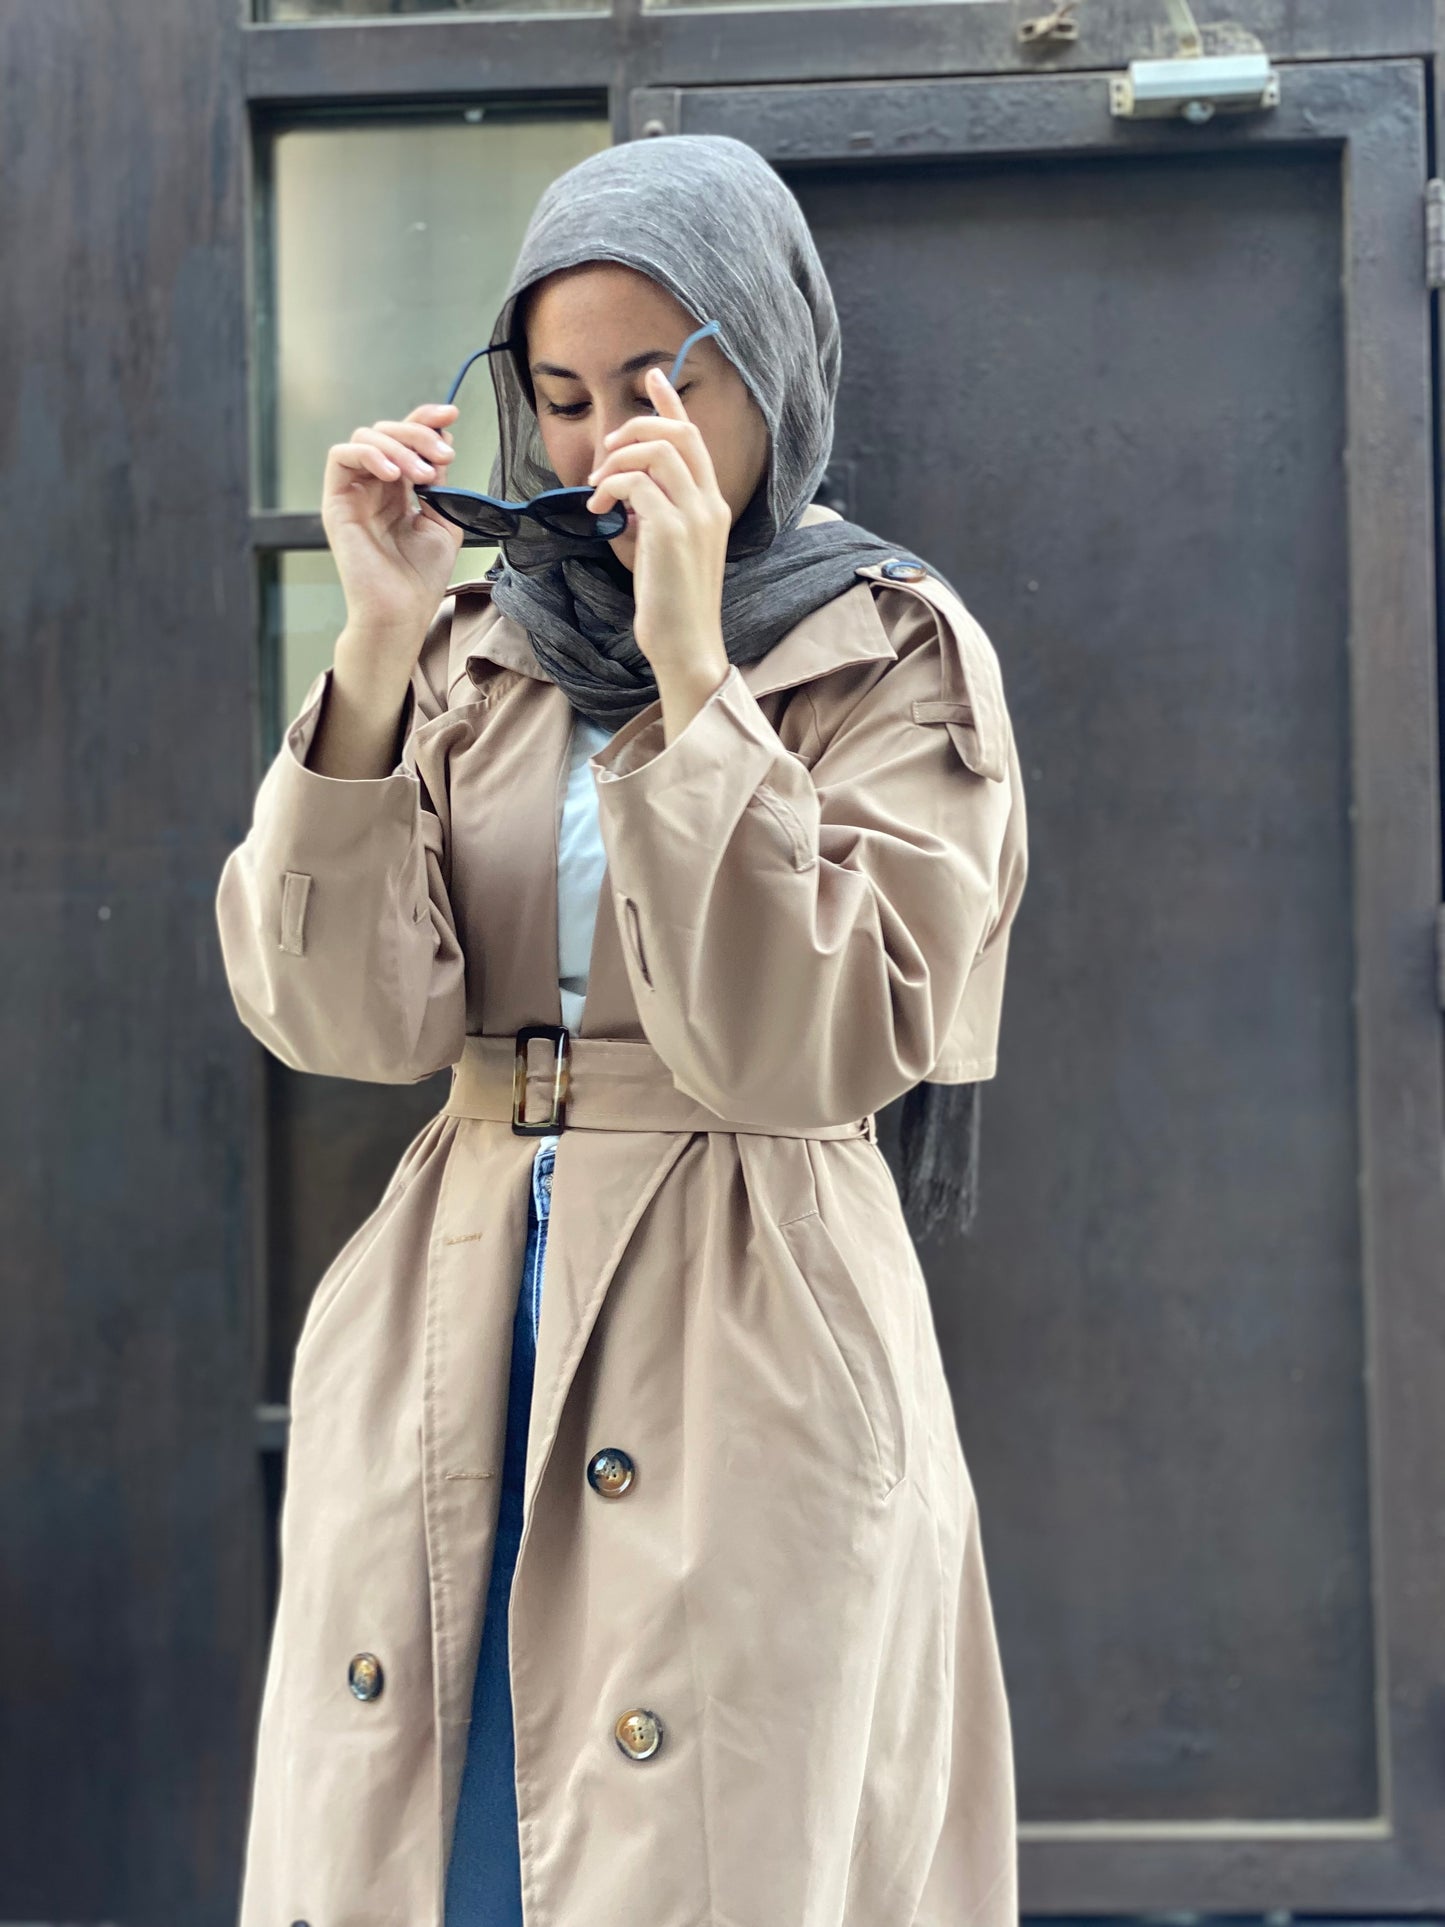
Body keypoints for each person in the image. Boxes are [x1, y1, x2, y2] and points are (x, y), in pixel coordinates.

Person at [216, 132, 1028, 1927]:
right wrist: (366, 645)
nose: (595, 447)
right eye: (562, 398)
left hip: (751, 1292)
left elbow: (810, 1035)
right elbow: (341, 1013)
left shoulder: (887, 648)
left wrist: (691, 675)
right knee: (446, 1838)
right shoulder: (474, 645)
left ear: (770, 367)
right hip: (457, 1292)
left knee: (711, 1837)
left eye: (655, 387)